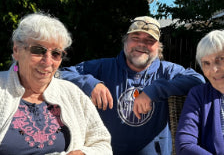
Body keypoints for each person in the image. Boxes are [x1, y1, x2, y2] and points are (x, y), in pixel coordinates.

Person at [0, 12, 112, 155]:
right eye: (38, 50)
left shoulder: (72, 94)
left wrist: (83, 153)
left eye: (56, 53)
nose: (48, 62)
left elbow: (102, 144)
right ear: (16, 50)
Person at [59, 17, 204, 155]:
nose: (142, 44)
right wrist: (91, 84)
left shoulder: (166, 71)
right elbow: (61, 73)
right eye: (135, 38)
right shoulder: (104, 67)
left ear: (158, 47)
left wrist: (155, 90)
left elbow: (197, 80)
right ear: (125, 41)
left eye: (150, 40)